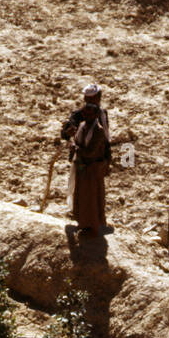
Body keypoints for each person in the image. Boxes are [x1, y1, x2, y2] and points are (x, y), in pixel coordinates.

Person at [60, 84, 111, 236]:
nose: (91, 102)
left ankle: (94, 222)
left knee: (94, 192)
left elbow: (105, 138)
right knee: (83, 192)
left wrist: (107, 159)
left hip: (96, 161)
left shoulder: (102, 114)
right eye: (88, 99)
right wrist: (68, 133)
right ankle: (85, 221)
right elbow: (67, 132)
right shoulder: (80, 115)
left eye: (94, 99)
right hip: (83, 161)